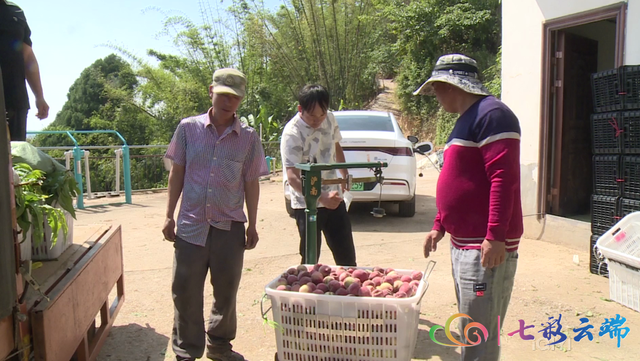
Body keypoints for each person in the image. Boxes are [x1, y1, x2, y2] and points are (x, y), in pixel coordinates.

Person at [414, 54, 523, 361]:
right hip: (466, 243)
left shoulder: (493, 115)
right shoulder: (467, 119)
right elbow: (459, 179)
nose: (435, 96)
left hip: (483, 246)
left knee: (479, 327)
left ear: (451, 86)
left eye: (436, 88)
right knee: (471, 322)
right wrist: (439, 224)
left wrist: (495, 236)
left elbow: (504, 179)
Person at [162, 68, 268, 361]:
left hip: (229, 227)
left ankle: (219, 348)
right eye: (224, 95)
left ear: (241, 101)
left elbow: (250, 182)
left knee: (226, 293)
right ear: (211, 91)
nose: (228, 102)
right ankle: (186, 351)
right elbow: (177, 173)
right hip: (191, 225)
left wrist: (253, 224)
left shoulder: (248, 138)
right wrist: (169, 214)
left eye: (235, 98)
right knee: (185, 292)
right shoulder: (187, 129)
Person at [280, 84, 356, 266]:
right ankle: (309, 291)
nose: (318, 120)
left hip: (334, 196)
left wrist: (344, 174)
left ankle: (349, 290)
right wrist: (320, 197)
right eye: (312, 116)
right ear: (300, 109)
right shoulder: (292, 133)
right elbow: (292, 176)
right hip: (306, 203)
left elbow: (336, 146)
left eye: (321, 115)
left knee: (346, 254)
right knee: (310, 257)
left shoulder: (329, 119)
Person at [0, 0, 49, 141]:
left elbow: (27, 56)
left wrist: (39, 96)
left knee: (17, 156)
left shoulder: (16, 11)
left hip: (15, 100)